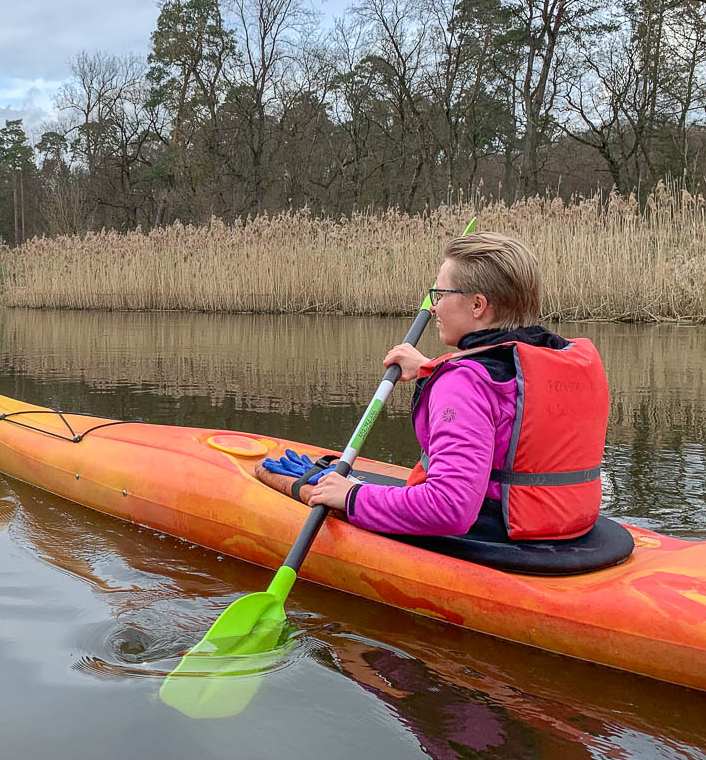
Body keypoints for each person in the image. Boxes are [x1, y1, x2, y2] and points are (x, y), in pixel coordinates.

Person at [255, 232, 610, 541]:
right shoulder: (558, 355)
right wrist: (430, 369)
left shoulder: (463, 385)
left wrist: (351, 496)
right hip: (568, 527)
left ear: (477, 305)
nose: (434, 306)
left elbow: (449, 508)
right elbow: (507, 400)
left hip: (496, 534)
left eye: (441, 294)